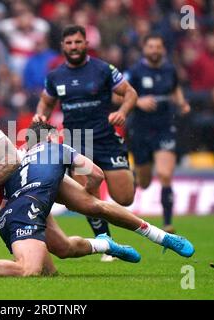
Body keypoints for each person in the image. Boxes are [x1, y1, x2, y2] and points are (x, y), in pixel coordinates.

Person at [0, 98, 195, 276]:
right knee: (62, 252)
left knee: (93, 205)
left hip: (29, 173)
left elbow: (9, 163)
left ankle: (161, 237)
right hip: (12, 197)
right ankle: (107, 245)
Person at [0, 123, 141, 278]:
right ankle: (105, 243)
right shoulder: (25, 154)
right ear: (48, 139)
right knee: (51, 267)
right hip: (17, 203)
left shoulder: (19, 152)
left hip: (25, 203)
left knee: (35, 267)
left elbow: (91, 175)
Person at [33, 24, 138, 261]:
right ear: (63, 46)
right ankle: (106, 241)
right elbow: (45, 104)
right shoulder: (55, 76)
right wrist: (40, 117)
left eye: (78, 42)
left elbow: (130, 93)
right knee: (87, 196)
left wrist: (122, 111)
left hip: (107, 139)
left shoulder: (103, 69)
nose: (73, 46)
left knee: (124, 198)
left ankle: (132, 177)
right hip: (77, 141)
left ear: (86, 44)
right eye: (69, 43)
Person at [124, 34, 191, 233]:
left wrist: (182, 102)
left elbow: (175, 89)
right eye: (151, 46)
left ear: (163, 49)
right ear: (144, 49)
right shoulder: (134, 72)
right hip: (140, 130)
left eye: (158, 47)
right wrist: (138, 102)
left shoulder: (170, 69)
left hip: (164, 127)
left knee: (164, 174)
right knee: (144, 183)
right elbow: (118, 95)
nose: (154, 50)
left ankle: (168, 223)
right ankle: (136, 176)